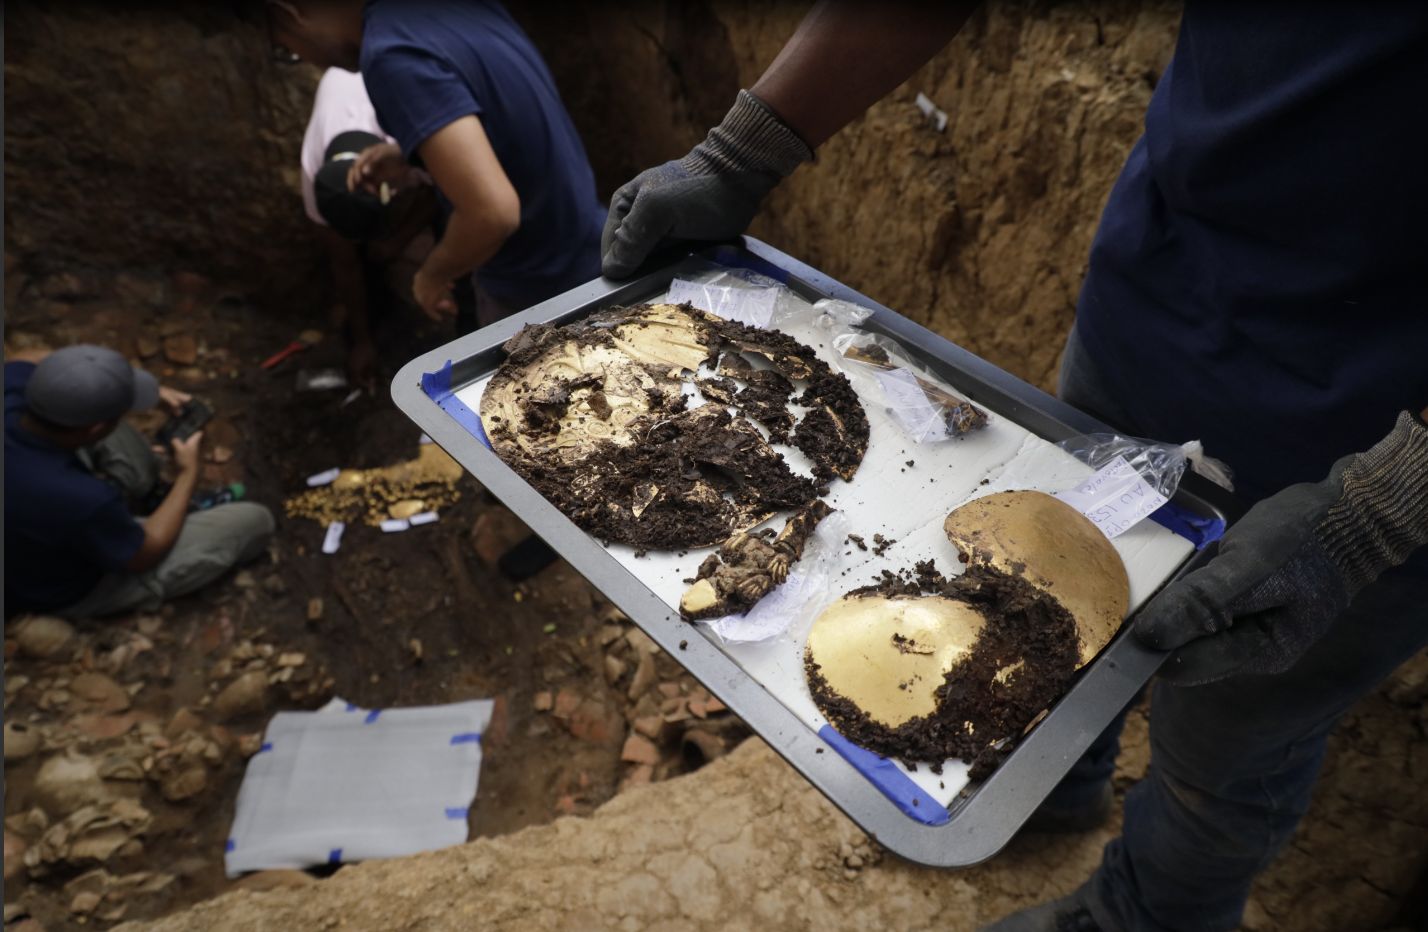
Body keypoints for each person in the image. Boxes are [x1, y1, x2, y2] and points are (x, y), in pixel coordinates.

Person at [600, 4, 1428, 930]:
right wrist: (741, 154)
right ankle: (1049, 784)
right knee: (1041, 585)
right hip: (1153, 307)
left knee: (1233, 735)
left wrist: (1386, 509)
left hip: (1368, 435)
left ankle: (1148, 914)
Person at [265, 0, 605, 329]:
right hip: (595, 245)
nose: (306, 60)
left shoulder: (389, 54)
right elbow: (505, 119)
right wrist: (414, 152)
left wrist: (433, 275)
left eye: (286, 50)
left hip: (538, 293)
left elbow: (492, 213)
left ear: (290, 12)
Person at [4, 346, 276, 620]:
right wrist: (187, 475)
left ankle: (152, 501)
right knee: (255, 521)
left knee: (100, 430)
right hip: (51, 587)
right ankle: (153, 513)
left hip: (25, 508)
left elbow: (30, 355)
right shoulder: (82, 498)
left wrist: (120, 384)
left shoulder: (10, 391)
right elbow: (144, 555)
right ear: (95, 429)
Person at [299, 67, 437, 389]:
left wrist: (398, 242)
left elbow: (436, 192)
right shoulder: (313, 174)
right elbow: (344, 263)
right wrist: (362, 342)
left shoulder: (412, 138)